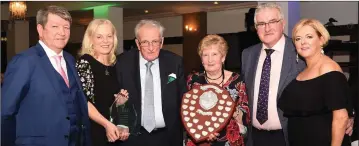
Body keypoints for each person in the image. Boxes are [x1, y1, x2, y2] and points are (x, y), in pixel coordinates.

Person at [241, 3, 354, 146]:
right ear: (256, 28)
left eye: (272, 22)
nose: (267, 28)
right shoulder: (248, 55)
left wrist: (349, 114)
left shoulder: (301, 51)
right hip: (256, 137)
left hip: (287, 137)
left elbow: (336, 87)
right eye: (261, 23)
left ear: (282, 23)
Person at [1, 5, 90, 146]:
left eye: (66, 27)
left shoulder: (70, 59)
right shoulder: (24, 61)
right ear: (40, 30)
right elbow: (5, 112)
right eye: (55, 26)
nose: (62, 32)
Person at [278, 18, 351, 146]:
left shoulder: (328, 68)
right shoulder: (302, 72)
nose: (303, 42)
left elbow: (341, 117)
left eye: (309, 37)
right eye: (298, 38)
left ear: (321, 40)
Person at [115, 19, 186, 146]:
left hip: (168, 137)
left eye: (155, 41)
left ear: (162, 42)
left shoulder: (175, 62)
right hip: (132, 137)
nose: (151, 48)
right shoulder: (122, 63)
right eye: (145, 42)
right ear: (137, 43)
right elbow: (113, 98)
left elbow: (184, 100)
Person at [185, 34, 250, 146]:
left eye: (214, 54)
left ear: (223, 57)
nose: (210, 60)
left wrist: (231, 110)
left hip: (229, 141)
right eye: (205, 55)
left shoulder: (238, 81)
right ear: (201, 59)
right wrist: (203, 132)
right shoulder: (192, 80)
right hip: (199, 140)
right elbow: (186, 112)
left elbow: (246, 116)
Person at [76, 19, 129, 146]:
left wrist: (121, 104)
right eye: (99, 37)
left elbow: (110, 102)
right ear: (91, 39)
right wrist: (107, 124)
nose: (105, 41)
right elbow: (83, 101)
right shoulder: (85, 63)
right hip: (93, 132)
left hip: (112, 133)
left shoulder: (116, 65)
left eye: (109, 36)